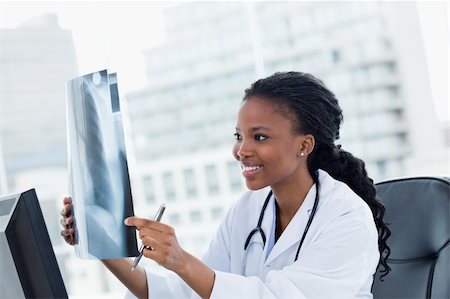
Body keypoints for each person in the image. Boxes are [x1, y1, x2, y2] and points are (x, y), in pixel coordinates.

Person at [61, 71, 391, 298]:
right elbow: (187, 294)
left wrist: (182, 260)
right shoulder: (248, 210)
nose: (241, 150)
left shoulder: (346, 218)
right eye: (239, 136)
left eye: (259, 137)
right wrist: (100, 242)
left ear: (304, 145)